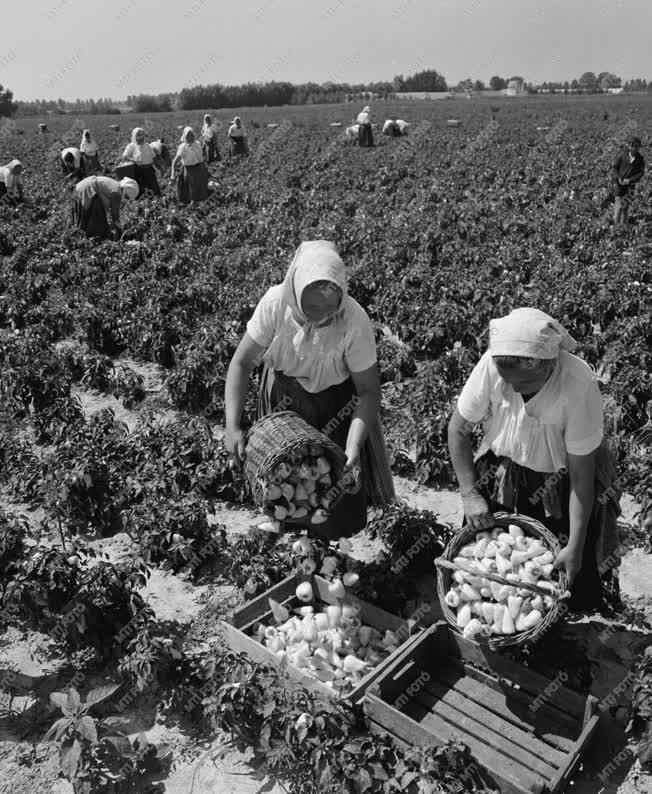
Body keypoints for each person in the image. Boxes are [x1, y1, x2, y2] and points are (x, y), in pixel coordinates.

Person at [447, 307, 621, 612]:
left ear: (545, 366)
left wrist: (575, 547)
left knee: (558, 572)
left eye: (522, 384)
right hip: (504, 472)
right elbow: (458, 429)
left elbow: (581, 479)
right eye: (507, 381)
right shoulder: (493, 362)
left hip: (561, 481)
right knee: (489, 566)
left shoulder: (577, 383)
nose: (512, 389)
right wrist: (470, 493)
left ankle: (558, 630)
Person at [224, 240, 396, 540]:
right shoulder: (277, 303)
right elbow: (241, 363)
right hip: (283, 402)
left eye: (331, 306)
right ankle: (284, 526)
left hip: (333, 406)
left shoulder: (354, 321)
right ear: (295, 290)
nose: (322, 314)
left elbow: (368, 391)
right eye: (313, 306)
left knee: (325, 483)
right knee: (282, 474)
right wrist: (232, 426)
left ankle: (324, 545)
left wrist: (353, 446)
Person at [72, 175, 139, 239]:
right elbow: (115, 215)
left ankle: (77, 239)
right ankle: (87, 240)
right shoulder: (117, 193)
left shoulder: (115, 185)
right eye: (127, 197)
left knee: (81, 220)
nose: (125, 200)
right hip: (89, 190)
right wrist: (120, 231)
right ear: (125, 191)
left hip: (80, 187)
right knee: (98, 224)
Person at [117, 127, 161, 196]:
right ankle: (144, 204)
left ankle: (155, 201)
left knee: (154, 190)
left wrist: (160, 167)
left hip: (149, 170)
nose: (141, 136)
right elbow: (124, 157)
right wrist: (134, 160)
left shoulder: (147, 145)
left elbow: (154, 158)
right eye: (138, 134)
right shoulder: (131, 146)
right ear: (134, 136)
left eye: (142, 134)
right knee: (141, 190)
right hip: (138, 171)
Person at [611, 135, 645, 227]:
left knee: (625, 207)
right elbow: (614, 168)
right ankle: (616, 226)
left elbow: (641, 173)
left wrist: (630, 180)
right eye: (633, 146)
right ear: (629, 146)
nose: (634, 148)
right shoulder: (622, 156)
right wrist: (618, 178)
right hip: (619, 184)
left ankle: (623, 226)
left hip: (630, 185)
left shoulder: (640, 159)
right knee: (618, 205)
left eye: (637, 146)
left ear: (639, 147)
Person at [171, 126, 209, 204]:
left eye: (192, 135)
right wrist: (172, 174)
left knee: (202, 184)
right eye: (188, 136)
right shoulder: (183, 147)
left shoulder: (198, 143)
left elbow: (202, 156)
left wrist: (204, 166)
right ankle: (193, 202)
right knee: (192, 187)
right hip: (189, 170)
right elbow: (175, 161)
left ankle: (203, 200)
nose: (191, 137)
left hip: (200, 168)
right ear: (185, 137)